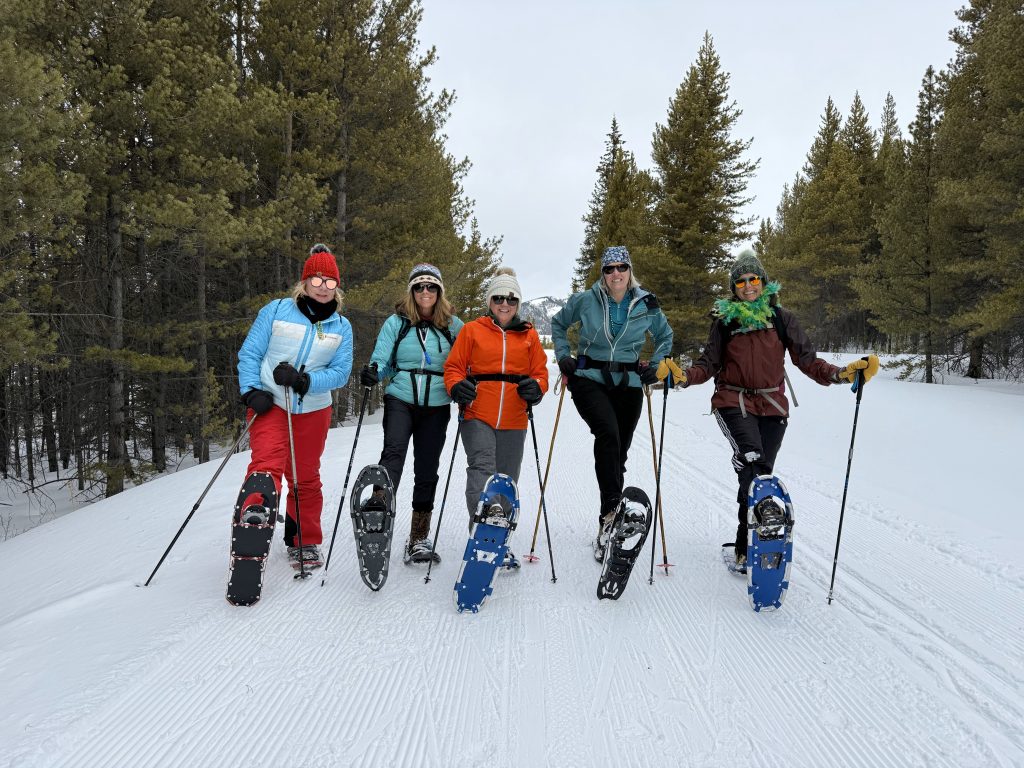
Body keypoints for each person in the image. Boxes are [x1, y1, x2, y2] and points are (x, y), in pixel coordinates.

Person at [680, 249, 879, 568]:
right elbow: (708, 363)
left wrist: (841, 374)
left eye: (753, 279)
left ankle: (746, 546)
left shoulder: (781, 319)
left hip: (772, 406)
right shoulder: (725, 322)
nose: (748, 286)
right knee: (751, 458)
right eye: (741, 281)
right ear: (734, 288)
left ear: (763, 281)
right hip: (733, 401)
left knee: (759, 477)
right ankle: (746, 543)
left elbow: (808, 360)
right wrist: (683, 376)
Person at [550, 245, 676, 561]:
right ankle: (609, 519)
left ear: (629, 271)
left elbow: (665, 336)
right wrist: (564, 356)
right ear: (603, 274)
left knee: (619, 450)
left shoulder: (646, 302)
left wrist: (656, 364)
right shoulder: (585, 299)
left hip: (629, 382)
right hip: (588, 379)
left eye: (621, 267)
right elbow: (558, 324)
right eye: (609, 269)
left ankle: (615, 514)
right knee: (607, 433)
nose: (616, 273)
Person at [236, 243, 354, 569]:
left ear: (337, 287)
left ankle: (303, 540)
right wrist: (250, 391)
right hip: (269, 402)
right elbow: (250, 354)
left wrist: (305, 381)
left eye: (330, 281)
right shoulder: (275, 311)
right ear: (304, 282)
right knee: (267, 462)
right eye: (316, 279)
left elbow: (341, 373)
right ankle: (255, 517)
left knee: (305, 477)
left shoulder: (341, 327)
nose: (322, 287)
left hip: (313, 409)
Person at [443, 266, 549, 568]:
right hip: (477, 413)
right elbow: (453, 368)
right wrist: (456, 387)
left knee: (506, 477)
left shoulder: (529, 335)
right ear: (490, 301)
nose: (505, 304)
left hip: (515, 418)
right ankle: (482, 530)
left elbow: (540, 374)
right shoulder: (472, 330)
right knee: (482, 466)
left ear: (518, 303)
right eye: (499, 298)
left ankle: (498, 540)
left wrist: (536, 388)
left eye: (512, 299)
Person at [359, 264, 464, 564]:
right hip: (401, 397)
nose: (425, 292)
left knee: (427, 467)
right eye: (419, 287)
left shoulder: (453, 325)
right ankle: (378, 509)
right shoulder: (397, 323)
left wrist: (466, 384)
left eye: (431, 286)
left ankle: (419, 536)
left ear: (439, 291)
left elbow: (467, 360)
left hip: (437, 402)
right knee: (393, 452)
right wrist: (373, 373)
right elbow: (381, 358)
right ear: (411, 291)